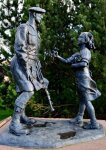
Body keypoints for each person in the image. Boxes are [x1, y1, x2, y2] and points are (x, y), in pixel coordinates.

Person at [9, 6, 49, 135]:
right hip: (20, 63)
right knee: (28, 90)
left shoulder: (36, 31)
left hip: (30, 64)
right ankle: (14, 124)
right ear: (32, 14)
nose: (41, 17)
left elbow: (35, 53)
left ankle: (22, 117)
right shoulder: (23, 27)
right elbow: (20, 49)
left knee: (24, 89)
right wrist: (26, 67)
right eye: (39, 14)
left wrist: (37, 71)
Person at [54, 32, 101, 129]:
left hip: (84, 78)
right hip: (80, 78)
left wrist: (73, 66)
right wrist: (57, 56)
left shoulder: (85, 51)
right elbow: (67, 61)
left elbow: (84, 64)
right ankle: (79, 117)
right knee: (82, 99)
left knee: (87, 100)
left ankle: (94, 123)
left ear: (85, 40)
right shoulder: (78, 53)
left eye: (80, 37)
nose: (78, 38)